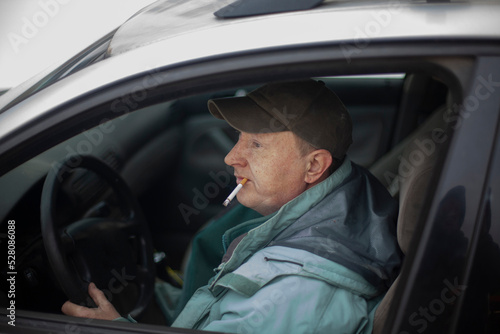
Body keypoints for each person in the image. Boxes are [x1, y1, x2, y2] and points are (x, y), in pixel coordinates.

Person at [62, 79, 402, 333]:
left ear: (314, 166)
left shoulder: (291, 295)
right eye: (238, 138)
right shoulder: (347, 195)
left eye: (255, 144)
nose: (230, 158)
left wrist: (115, 328)